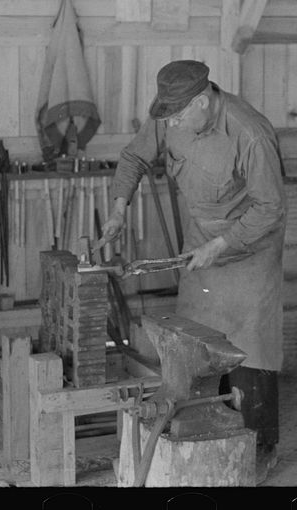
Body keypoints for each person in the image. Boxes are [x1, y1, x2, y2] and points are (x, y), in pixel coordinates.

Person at [97, 59, 285, 485]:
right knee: (196, 339)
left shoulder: (249, 133)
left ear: (203, 101)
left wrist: (221, 246)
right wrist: (117, 209)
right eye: (169, 118)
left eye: (180, 117)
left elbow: (270, 208)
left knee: (250, 346)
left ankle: (260, 447)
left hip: (249, 248)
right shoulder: (169, 113)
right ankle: (207, 434)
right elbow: (133, 158)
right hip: (202, 241)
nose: (173, 125)